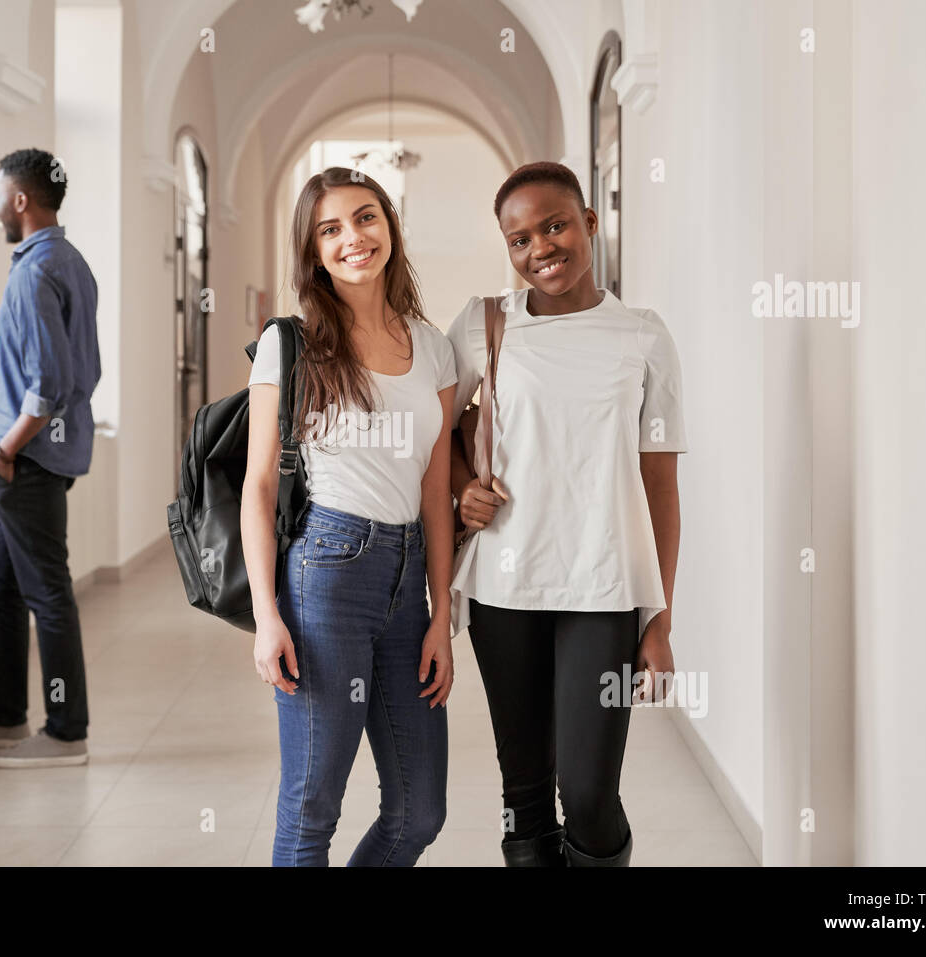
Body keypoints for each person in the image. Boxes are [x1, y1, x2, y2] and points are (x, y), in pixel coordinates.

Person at [446, 161, 687, 866]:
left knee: (588, 794)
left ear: (588, 222)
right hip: (503, 587)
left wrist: (661, 617)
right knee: (524, 790)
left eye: (554, 225)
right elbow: (436, 435)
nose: (540, 248)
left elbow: (660, 484)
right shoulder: (484, 324)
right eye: (519, 239)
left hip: (604, 587)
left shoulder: (643, 335)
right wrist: (464, 486)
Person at [242, 167, 457, 866]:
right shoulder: (291, 342)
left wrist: (441, 615)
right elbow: (260, 484)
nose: (352, 238)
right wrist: (267, 616)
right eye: (329, 229)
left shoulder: (432, 346)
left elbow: (435, 489)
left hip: (407, 579)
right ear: (313, 250)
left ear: (389, 225)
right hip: (326, 574)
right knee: (313, 806)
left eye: (365, 218)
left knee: (420, 808)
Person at [0, 148, 100, 769]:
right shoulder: (72, 262)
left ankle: (66, 732)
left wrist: (8, 449)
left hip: (26, 460)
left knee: (47, 592)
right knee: (1, 580)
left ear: (20, 201)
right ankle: (6, 715)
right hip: (43, 458)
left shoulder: (35, 271)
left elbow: (50, 382)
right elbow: (87, 370)